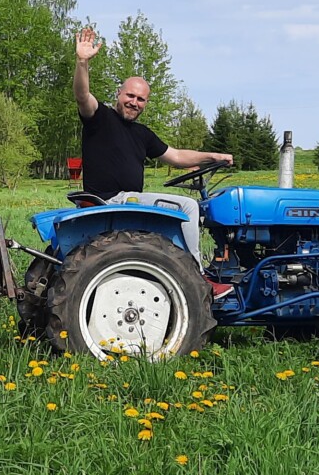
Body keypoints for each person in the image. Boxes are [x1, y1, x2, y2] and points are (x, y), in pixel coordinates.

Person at [73, 27, 236, 298]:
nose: (134, 102)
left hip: (128, 199)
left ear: (146, 103)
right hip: (113, 201)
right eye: (130, 96)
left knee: (182, 206)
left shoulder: (142, 134)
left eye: (140, 99)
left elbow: (176, 156)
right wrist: (82, 62)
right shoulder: (99, 117)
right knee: (187, 205)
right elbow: (82, 95)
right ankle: (197, 278)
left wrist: (213, 156)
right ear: (119, 94)